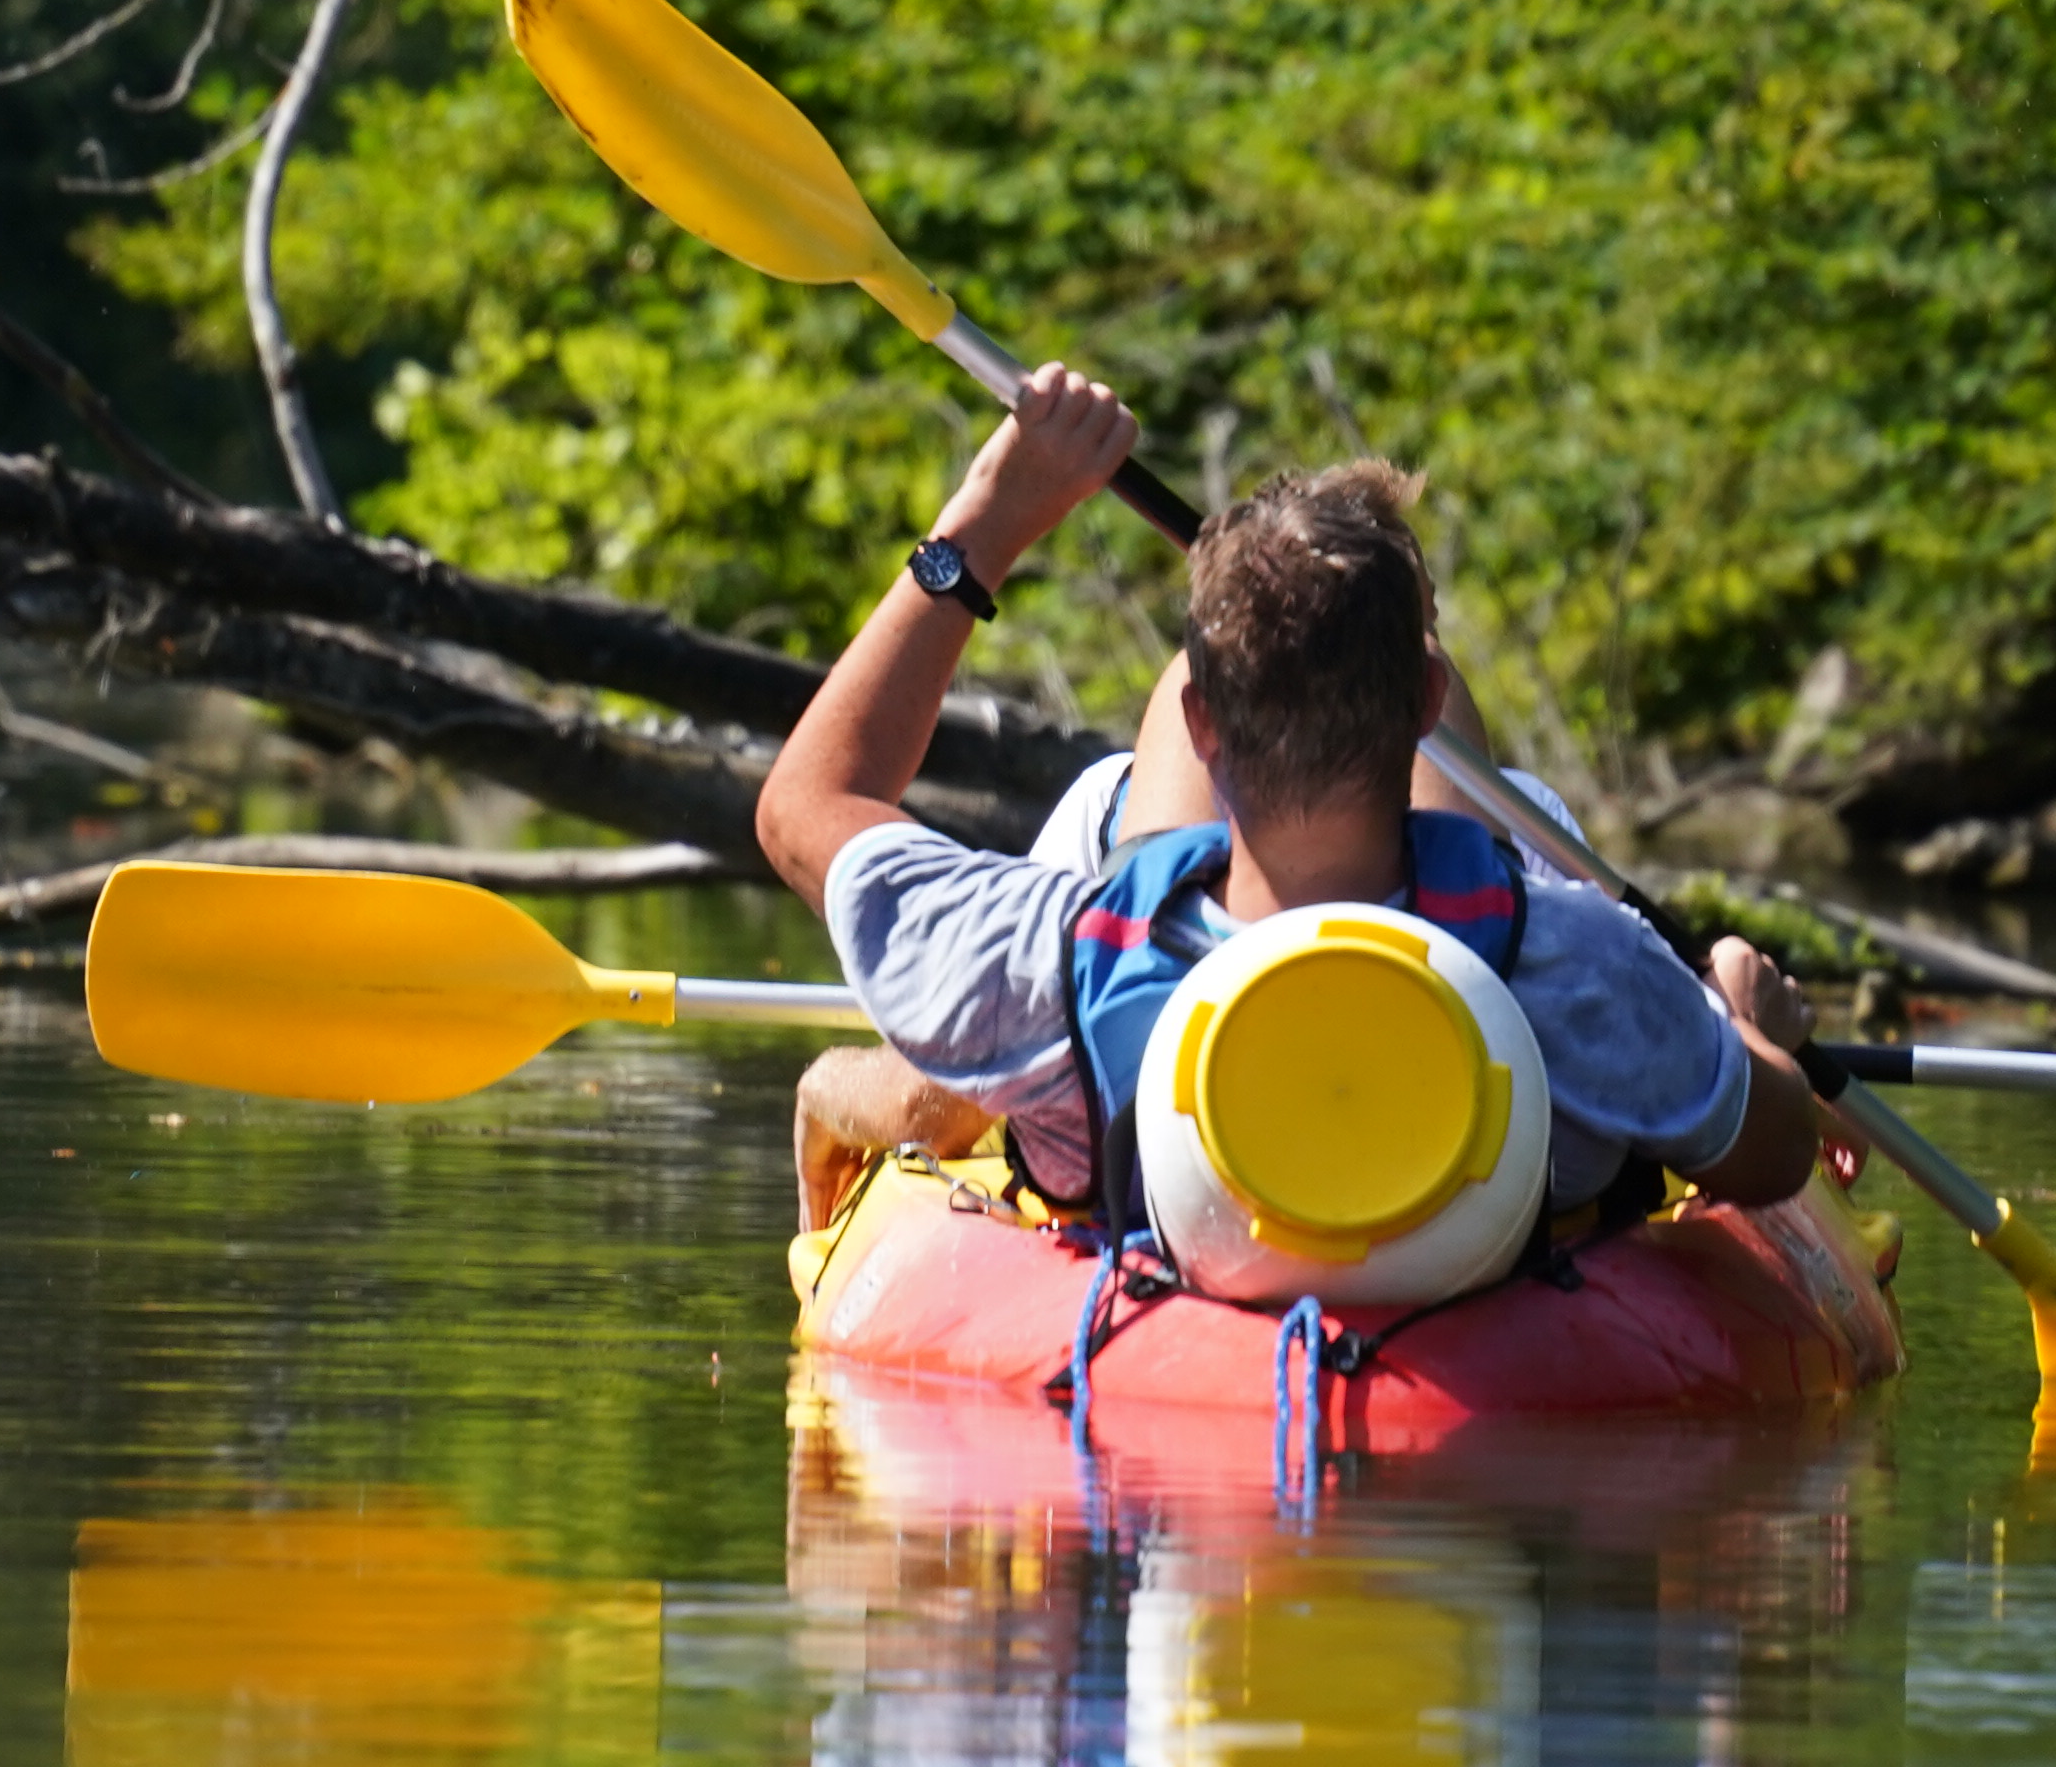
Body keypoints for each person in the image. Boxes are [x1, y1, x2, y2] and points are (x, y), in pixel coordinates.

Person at [752, 362, 1825, 1245]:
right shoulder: (1580, 963)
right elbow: (1775, 1154)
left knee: (1024, 1007)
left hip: (1126, 1111)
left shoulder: (1050, 958)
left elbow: (806, 802)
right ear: (1431, 710)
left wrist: (983, 526)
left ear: (1202, 728)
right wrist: (1745, 1024)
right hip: (1508, 1218)